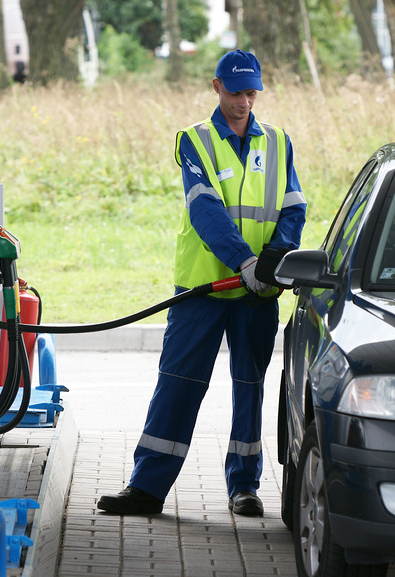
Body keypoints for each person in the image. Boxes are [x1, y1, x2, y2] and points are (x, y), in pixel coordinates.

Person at [97, 50, 307, 517]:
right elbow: (205, 208)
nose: (244, 103)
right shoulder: (195, 140)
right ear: (216, 87)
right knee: (178, 384)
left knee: (249, 385)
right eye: (236, 93)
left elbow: (294, 206)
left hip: (258, 292)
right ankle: (147, 488)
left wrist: (272, 260)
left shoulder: (277, 142)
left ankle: (245, 488)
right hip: (203, 290)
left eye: (252, 93)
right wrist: (245, 261)